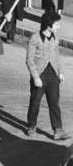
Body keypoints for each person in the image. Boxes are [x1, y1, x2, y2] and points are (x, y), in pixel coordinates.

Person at [25, 11, 70, 140]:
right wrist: (35, 77)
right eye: (57, 24)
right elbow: (29, 60)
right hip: (39, 75)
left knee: (54, 103)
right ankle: (31, 126)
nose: (59, 27)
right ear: (49, 25)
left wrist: (60, 73)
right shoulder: (35, 38)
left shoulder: (55, 38)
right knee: (35, 102)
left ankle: (58, 130)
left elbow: (56, 57)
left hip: (53, 75)